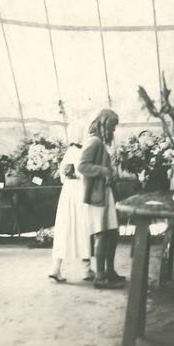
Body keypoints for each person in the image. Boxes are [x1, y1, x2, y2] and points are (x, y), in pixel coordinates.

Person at [78, 109, 126, 289]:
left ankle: (110, 272)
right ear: (104, 124)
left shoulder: (101, 142)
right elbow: (82, 166)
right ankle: (100, 276)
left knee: (112, 233)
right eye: (112, 126)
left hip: (106, 194)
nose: (113, 131)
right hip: (98, 196)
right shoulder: (94, 141)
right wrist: (104, 171)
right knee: (102, 235)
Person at [48, 123, 95, 283]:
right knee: (83, 227)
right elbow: (86, 174)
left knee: (64, 228)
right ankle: (86, 270)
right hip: (80, 192)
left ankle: (55, 268)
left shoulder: (69, 152)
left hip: (67, 193)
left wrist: (70, 176)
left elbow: (62, 176)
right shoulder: (85, 151)